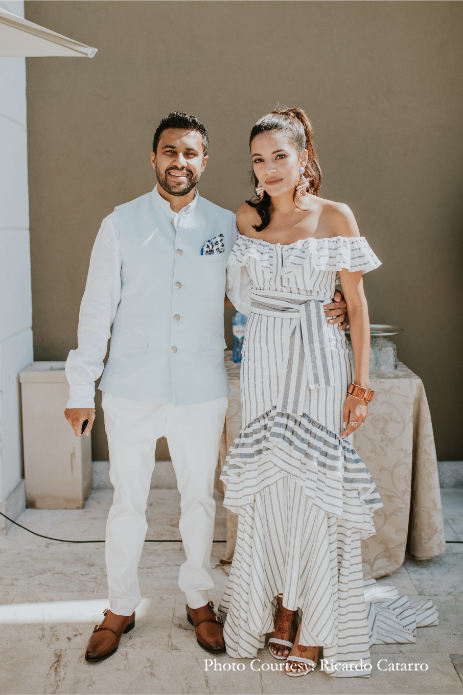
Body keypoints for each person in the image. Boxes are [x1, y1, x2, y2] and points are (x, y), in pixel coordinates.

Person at [64, 110, 349, 662]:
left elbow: (252, 295)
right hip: (130, 385)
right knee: (127, 501)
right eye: (170, 151)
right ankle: (120, 606)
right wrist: (81, 388)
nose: (179, 161)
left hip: (200, 386)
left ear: (204, 161)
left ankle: (199, 600)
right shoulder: (119, 223)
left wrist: (323, 303)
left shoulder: (227, 224)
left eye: (190, 153)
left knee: (199, 500)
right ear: (154, 158)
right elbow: (96, 308)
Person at [219, 107, 383, 677]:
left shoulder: (335, 216)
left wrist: (361, 385)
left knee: (315, 491)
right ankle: (280, 608)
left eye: (279, 156)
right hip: (264, 364)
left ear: (304, 157)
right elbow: (233, 292)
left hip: (319, 364)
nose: (268, 169)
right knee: (270, 489)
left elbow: (356, 306)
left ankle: (316, 622)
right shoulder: (246, 218)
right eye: (258, 160)